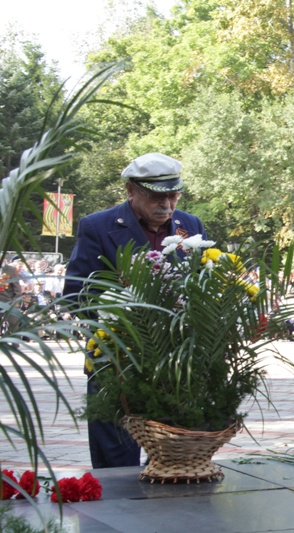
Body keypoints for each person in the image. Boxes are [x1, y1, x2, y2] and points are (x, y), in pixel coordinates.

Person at [64, 153, 207, 469]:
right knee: (117, 464)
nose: (167, 205)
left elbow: (203, 286)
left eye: (174, 195)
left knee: (176, 462)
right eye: (157, 197)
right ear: (130, 190)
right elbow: (75, 296)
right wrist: (123, 315)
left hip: (175, 366)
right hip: (117, 365)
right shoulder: (97, 227)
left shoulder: (191, 226)